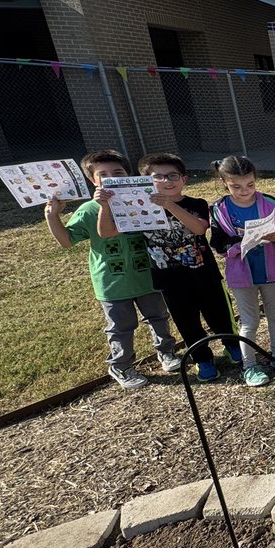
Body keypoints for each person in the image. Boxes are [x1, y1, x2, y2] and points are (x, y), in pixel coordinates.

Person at [45, 149, 179, 390]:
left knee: (159, 317)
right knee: (120, 327)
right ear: (93, 181)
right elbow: (66, 241)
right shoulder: (88, 210)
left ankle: (167, 353)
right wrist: (52, 217)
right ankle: (121, 365)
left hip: (148, 277)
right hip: (112, 283)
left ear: (127, 175)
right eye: (103, 175)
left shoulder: (144, 201)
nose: (111, 178)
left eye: (117, 173)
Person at [138, 151, 238, 383]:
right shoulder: (141, 210)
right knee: (187, 322)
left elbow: (199, 228)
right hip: (169, 279)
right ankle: (203, 359)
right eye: (158, 177)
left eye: (172, 176)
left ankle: (233, 347)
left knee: (221, 315)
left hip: (204, 274)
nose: (166, 181)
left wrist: (170, 206)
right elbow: (112, 229)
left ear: (184, 179)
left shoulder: (197, 204)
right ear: (147, 181)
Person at [208, 156, 275, 387]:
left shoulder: (269, 202)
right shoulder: (219, 209)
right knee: (249, 321)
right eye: (236, 186)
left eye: (250, 185)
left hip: (270, 269)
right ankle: (250, 366)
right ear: (224, 182)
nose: (244, 191)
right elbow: (217, 244)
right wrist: (240, 243)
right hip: (241, 274)